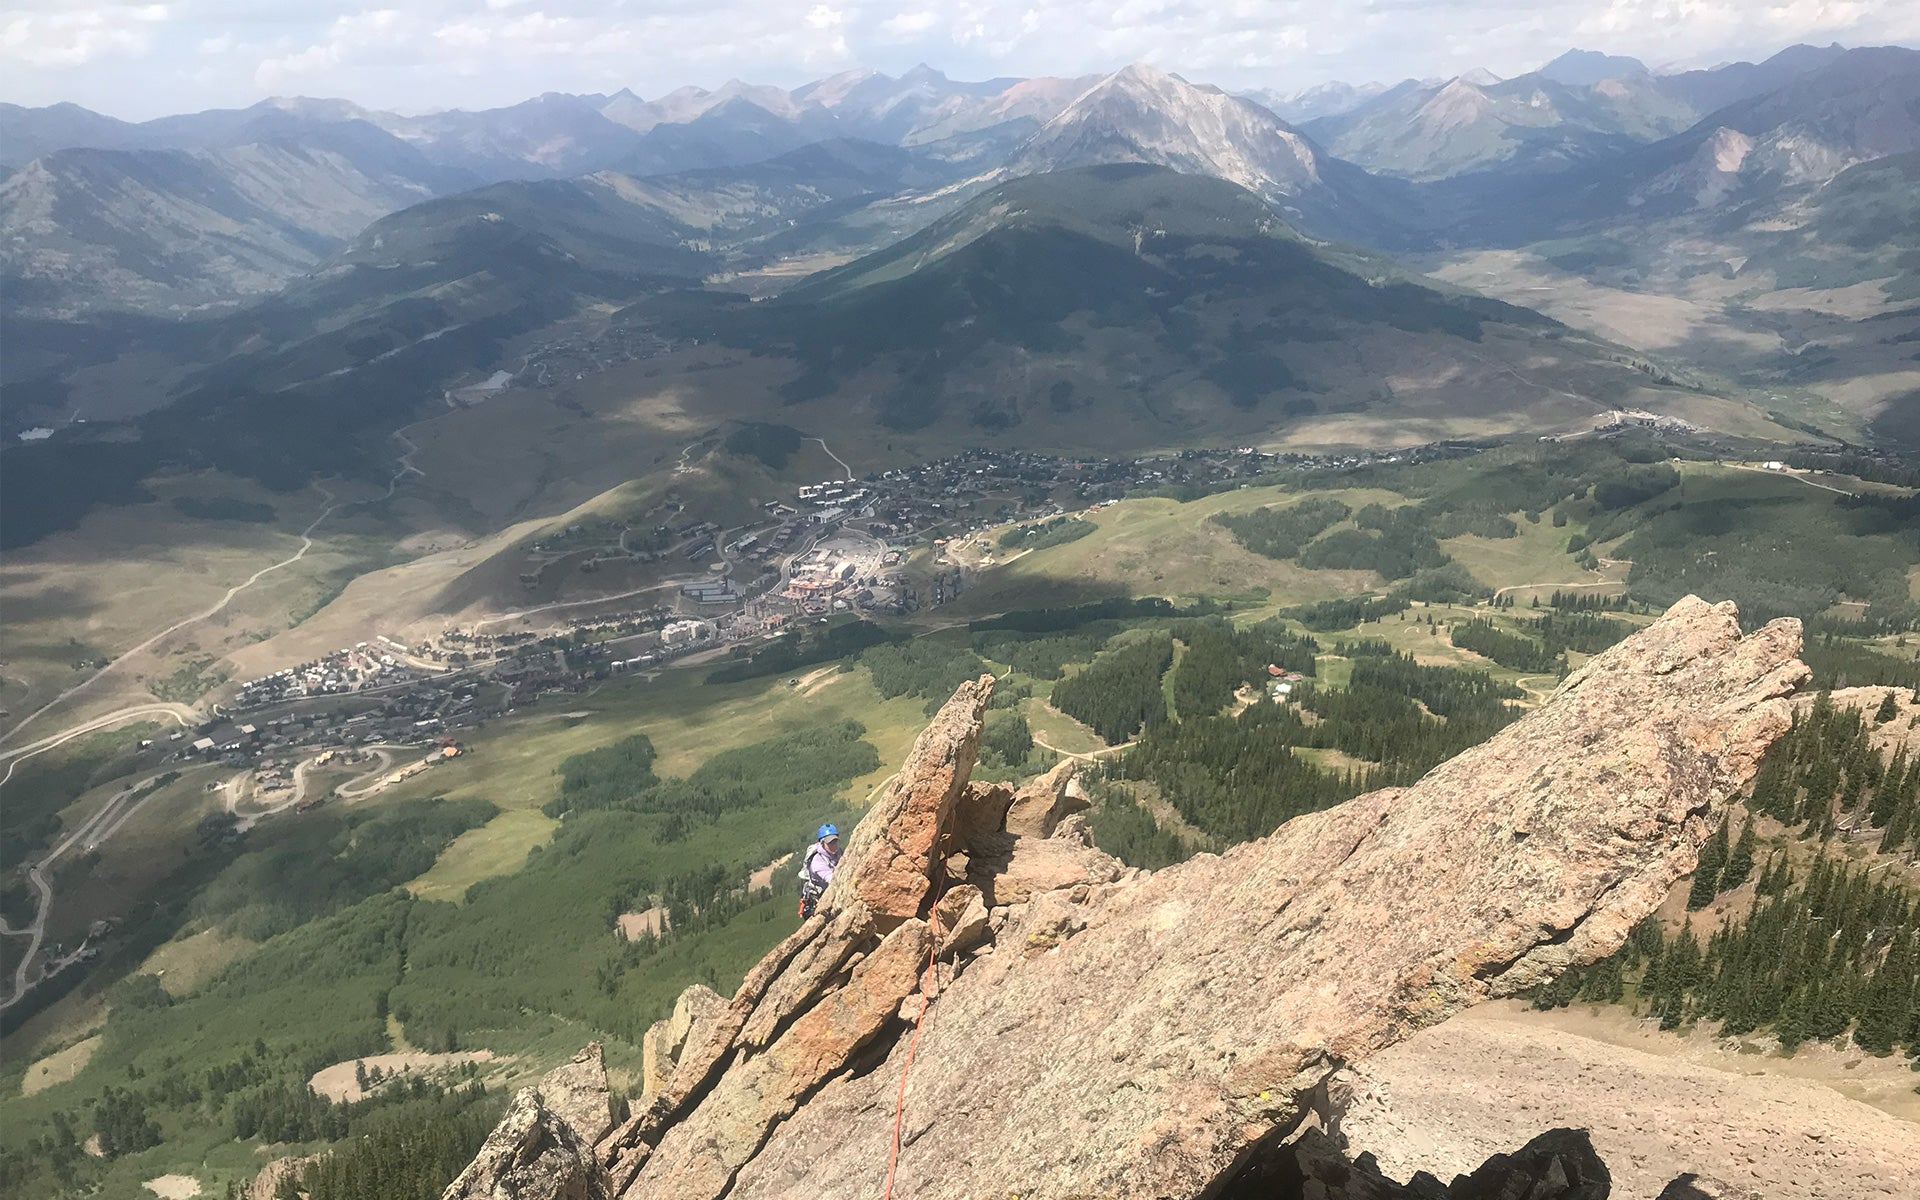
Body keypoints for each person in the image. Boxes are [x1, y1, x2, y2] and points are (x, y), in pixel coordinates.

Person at [798, 823, 841, 918]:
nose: (834, 845)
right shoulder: (817, 861)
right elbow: (832, 880)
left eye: (835, 841)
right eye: (830, 843)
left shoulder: (837, 852)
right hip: (816, 900)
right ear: (822, 843)